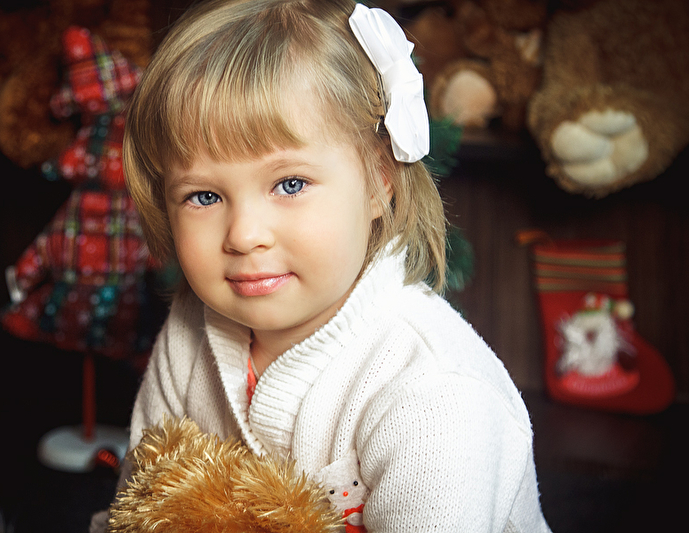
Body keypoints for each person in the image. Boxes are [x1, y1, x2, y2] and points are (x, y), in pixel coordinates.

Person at [92, 0, 552, 531]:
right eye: (204, 196)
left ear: (379, 180)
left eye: (290, 184)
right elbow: (141, 507)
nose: (244, 235)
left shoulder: (435, 395)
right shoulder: (188, 336)